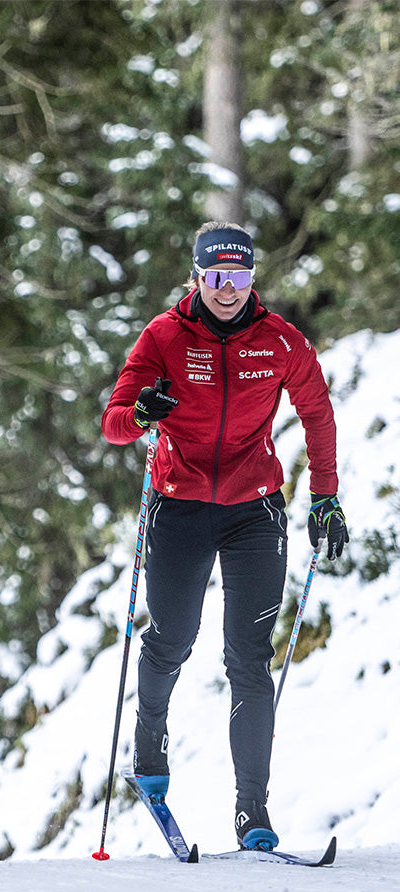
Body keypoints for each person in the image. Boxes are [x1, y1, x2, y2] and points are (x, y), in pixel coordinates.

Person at [101, 221, 348, 850]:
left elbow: (316, 413)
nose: (227, 289)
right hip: (179, 505)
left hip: (253, 509)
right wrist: (141, 415)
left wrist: (325, 497)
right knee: (172, 638)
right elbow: (113, 424)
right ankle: (148, 748)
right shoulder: (163, 336)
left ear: (252, 278)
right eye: (215, 276)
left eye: (239, 277)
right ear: (197, 277)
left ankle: (252, 812)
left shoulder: (279, 340)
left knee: (248, 657)